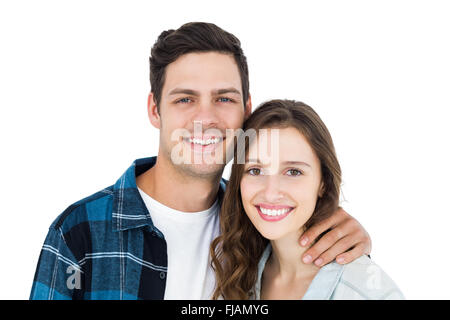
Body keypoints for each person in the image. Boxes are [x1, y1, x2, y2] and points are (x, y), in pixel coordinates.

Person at [30, 22, 372, 300]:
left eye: (223, 98)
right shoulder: (80, 232)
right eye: (184, 99)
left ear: (246, 110)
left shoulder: (262, 221)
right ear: (155, 109)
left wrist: (352, 244)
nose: (205, 117)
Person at [210, 99, 404, 300]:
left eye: (293, 171)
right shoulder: (240, 272)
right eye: (255, 170)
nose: (270, 192)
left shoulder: (365, 291)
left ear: (323, 183)